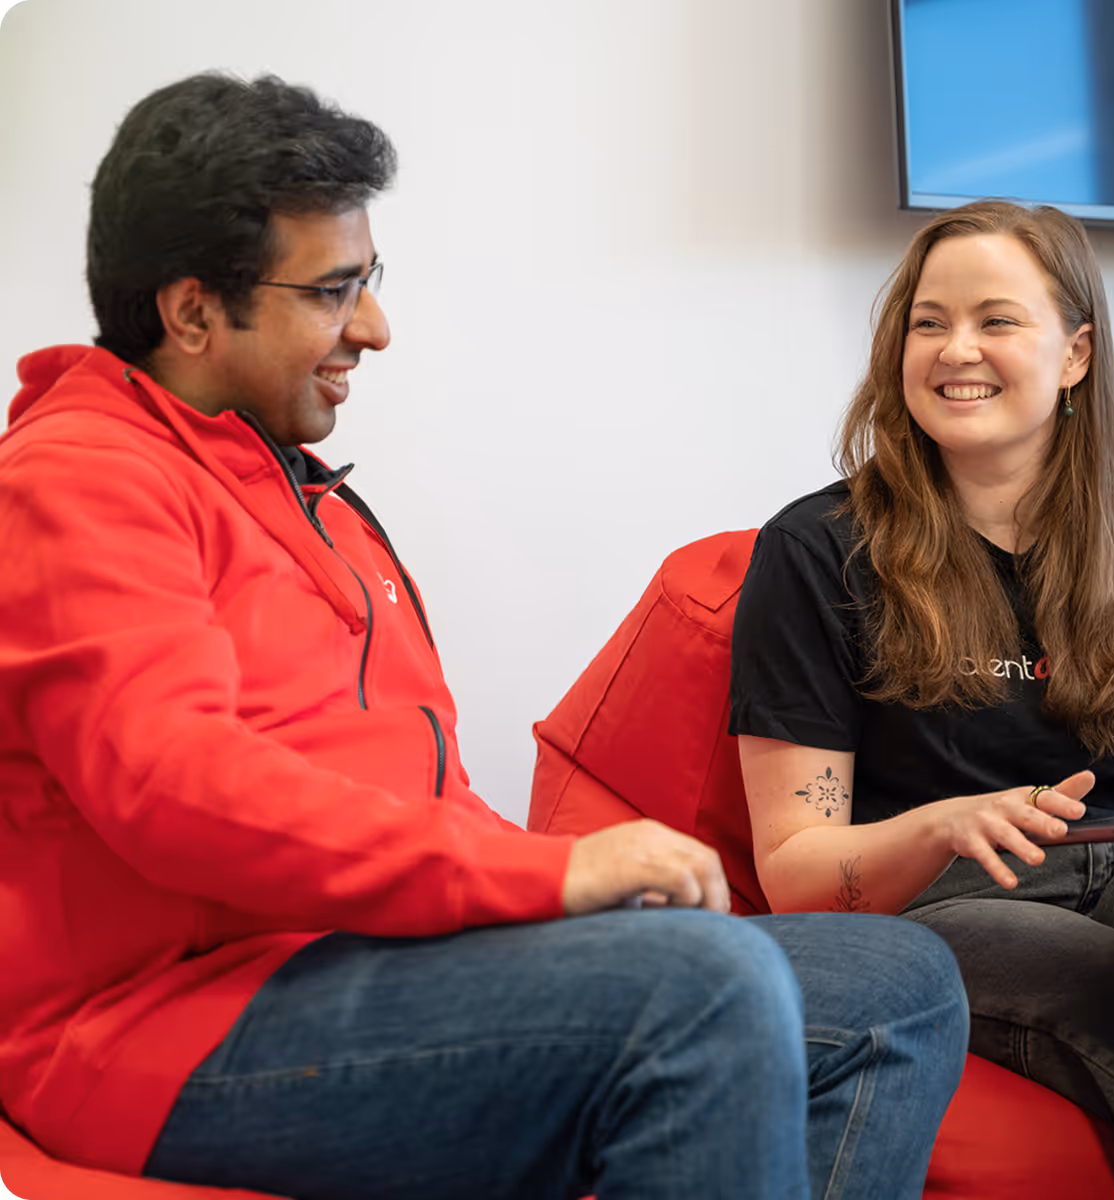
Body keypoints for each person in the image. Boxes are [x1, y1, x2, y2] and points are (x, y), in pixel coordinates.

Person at [0, 72, 969, 1200]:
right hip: (169, 1025)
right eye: (333, 290)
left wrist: (574, 899)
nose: (373, 327)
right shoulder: (79, 482)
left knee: (897, 979)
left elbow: (408, 787)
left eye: (371, 281)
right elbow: (180, 793)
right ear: (191, 311)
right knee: (701, 991)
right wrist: (546, 875)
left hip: (356, 959)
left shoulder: (290, 481)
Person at [730, 198, 1114, 1200]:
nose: (955, 350)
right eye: (928, 321)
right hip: (955, 902)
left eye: (995, 320)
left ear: (1075, 354)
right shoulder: (818, 552)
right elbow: (797, 875)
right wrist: (942, 827)